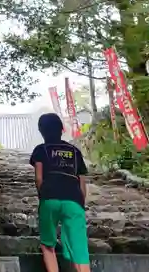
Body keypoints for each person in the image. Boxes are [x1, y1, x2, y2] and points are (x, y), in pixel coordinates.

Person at [29, 113, 90, 272]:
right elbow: (82, 183)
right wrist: (80, 204)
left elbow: (38, 178)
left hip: (50, 198)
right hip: (75, 200)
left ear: (41, 131)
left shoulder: (41, 149)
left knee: (48, 244)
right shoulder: (75, 151)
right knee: (80, 249)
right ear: (62, 130)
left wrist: (43, 197)